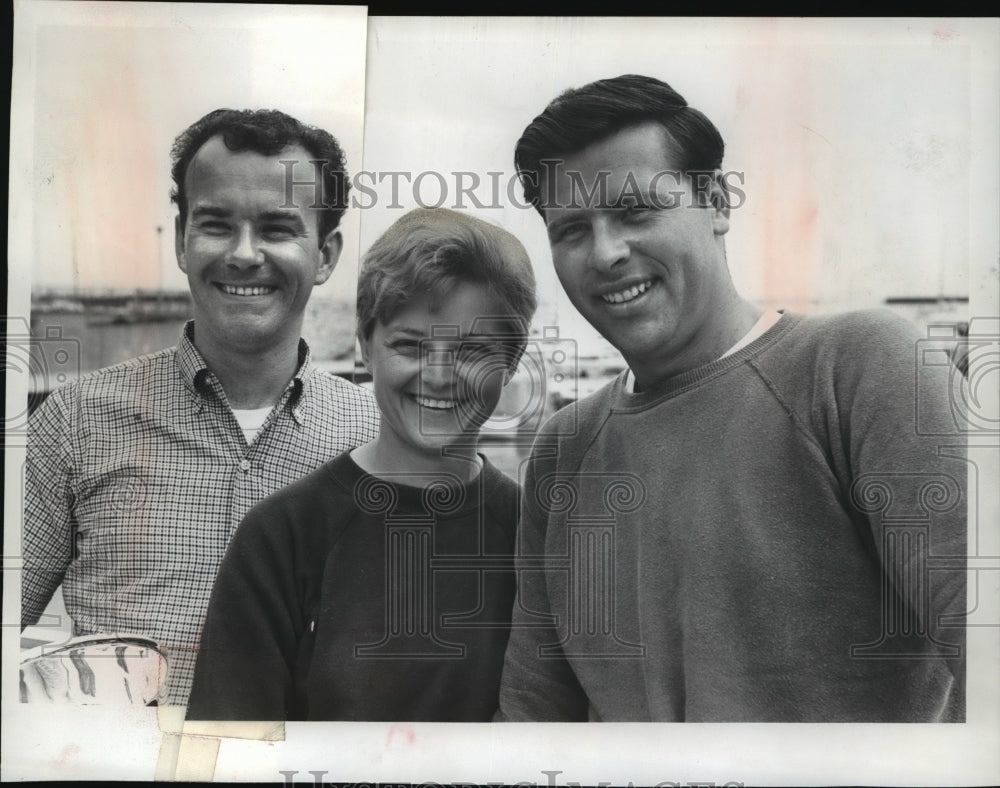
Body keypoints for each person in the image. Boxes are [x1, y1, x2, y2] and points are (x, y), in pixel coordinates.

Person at [497, 74, 967, 722]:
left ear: (716, 201)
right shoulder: (561, 450)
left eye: (635, 211)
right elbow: (533, 712)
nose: (605, 253)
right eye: (572, 229)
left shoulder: (860, 368)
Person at [21, 108, 380, 706]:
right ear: (184, 240)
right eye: (215, 224)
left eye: (277, 228)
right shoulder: (74, 420)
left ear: (325, 254)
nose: (243, 254)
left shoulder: (376, 435)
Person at [186, 207, 538, 721]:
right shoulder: (280, 536)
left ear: (510, 364)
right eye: (410, 345)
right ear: (365, 348)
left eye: (472, 351)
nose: (440, 376)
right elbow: (228, 751)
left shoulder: (533, 535)